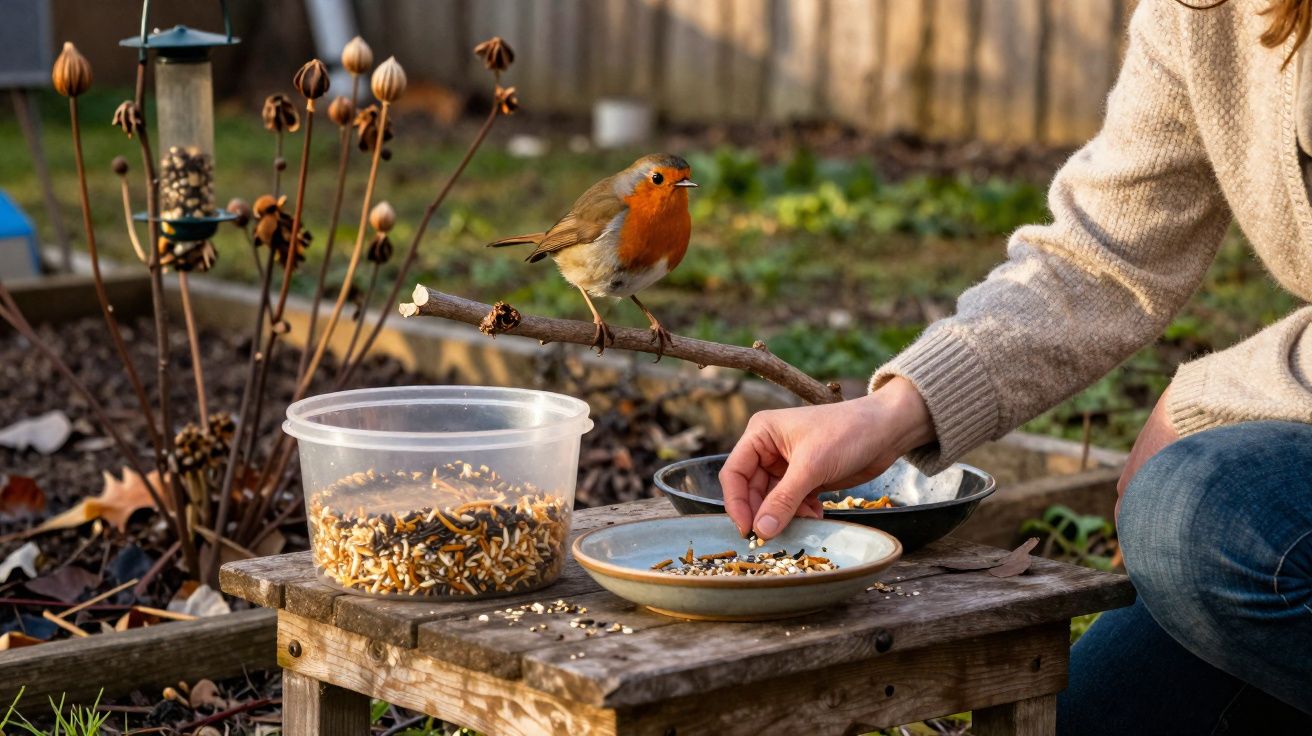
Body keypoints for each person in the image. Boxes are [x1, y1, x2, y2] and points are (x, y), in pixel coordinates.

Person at [720, 0, 1312, 731]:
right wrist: (893, 412)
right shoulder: (1203, 12)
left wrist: (1216, 397)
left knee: (1196, 510)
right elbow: (1104, 254)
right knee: (1088, 718)